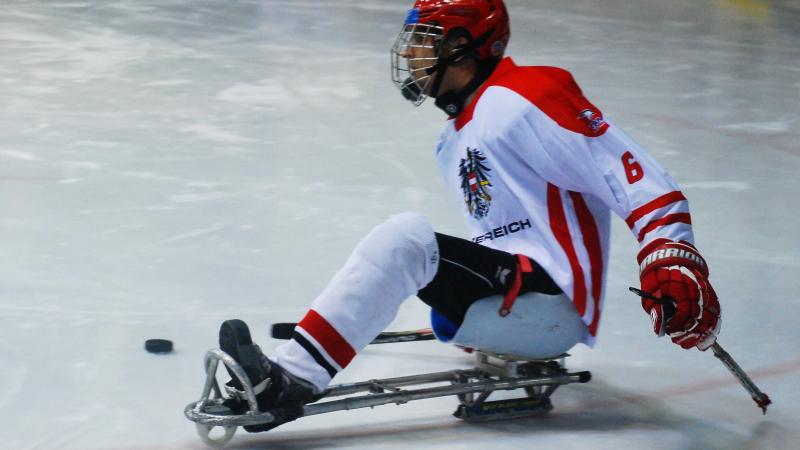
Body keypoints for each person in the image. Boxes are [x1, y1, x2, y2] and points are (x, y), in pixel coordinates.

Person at [218, 0, 721, 432]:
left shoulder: (526, 94)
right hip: (522, 296)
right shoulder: (455, 133)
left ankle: (289, 381)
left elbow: (630, 174)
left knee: (406, 241)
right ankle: (320, 341)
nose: (412, 54)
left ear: (461, 44)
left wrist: (672, 254)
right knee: (417, 250)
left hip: (552, 301)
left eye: (424, 39)